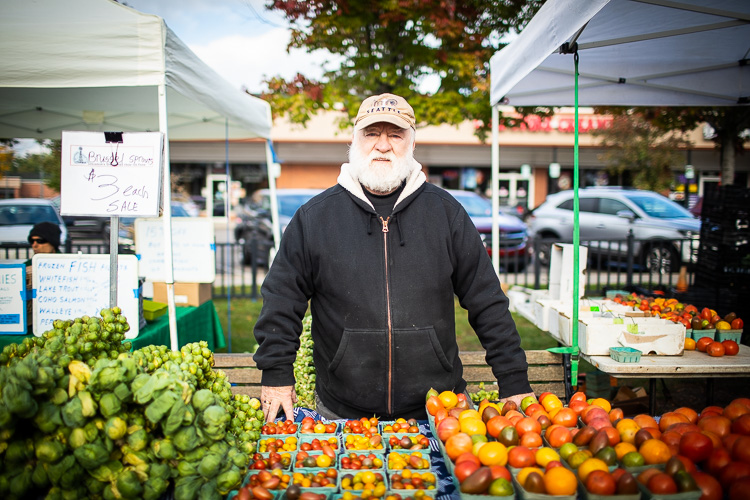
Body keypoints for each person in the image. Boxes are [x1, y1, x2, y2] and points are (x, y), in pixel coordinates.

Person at [254, 93, 534, 422]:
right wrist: (276, 375)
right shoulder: (314, 218)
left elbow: (487, 300)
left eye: (396, 134)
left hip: (442, 411)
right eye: (372, 133)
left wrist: (513, 378)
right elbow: (281, 300)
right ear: (354, 140)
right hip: (343, 413)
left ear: (411, 143)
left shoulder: (446, 213)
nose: (383, 145)